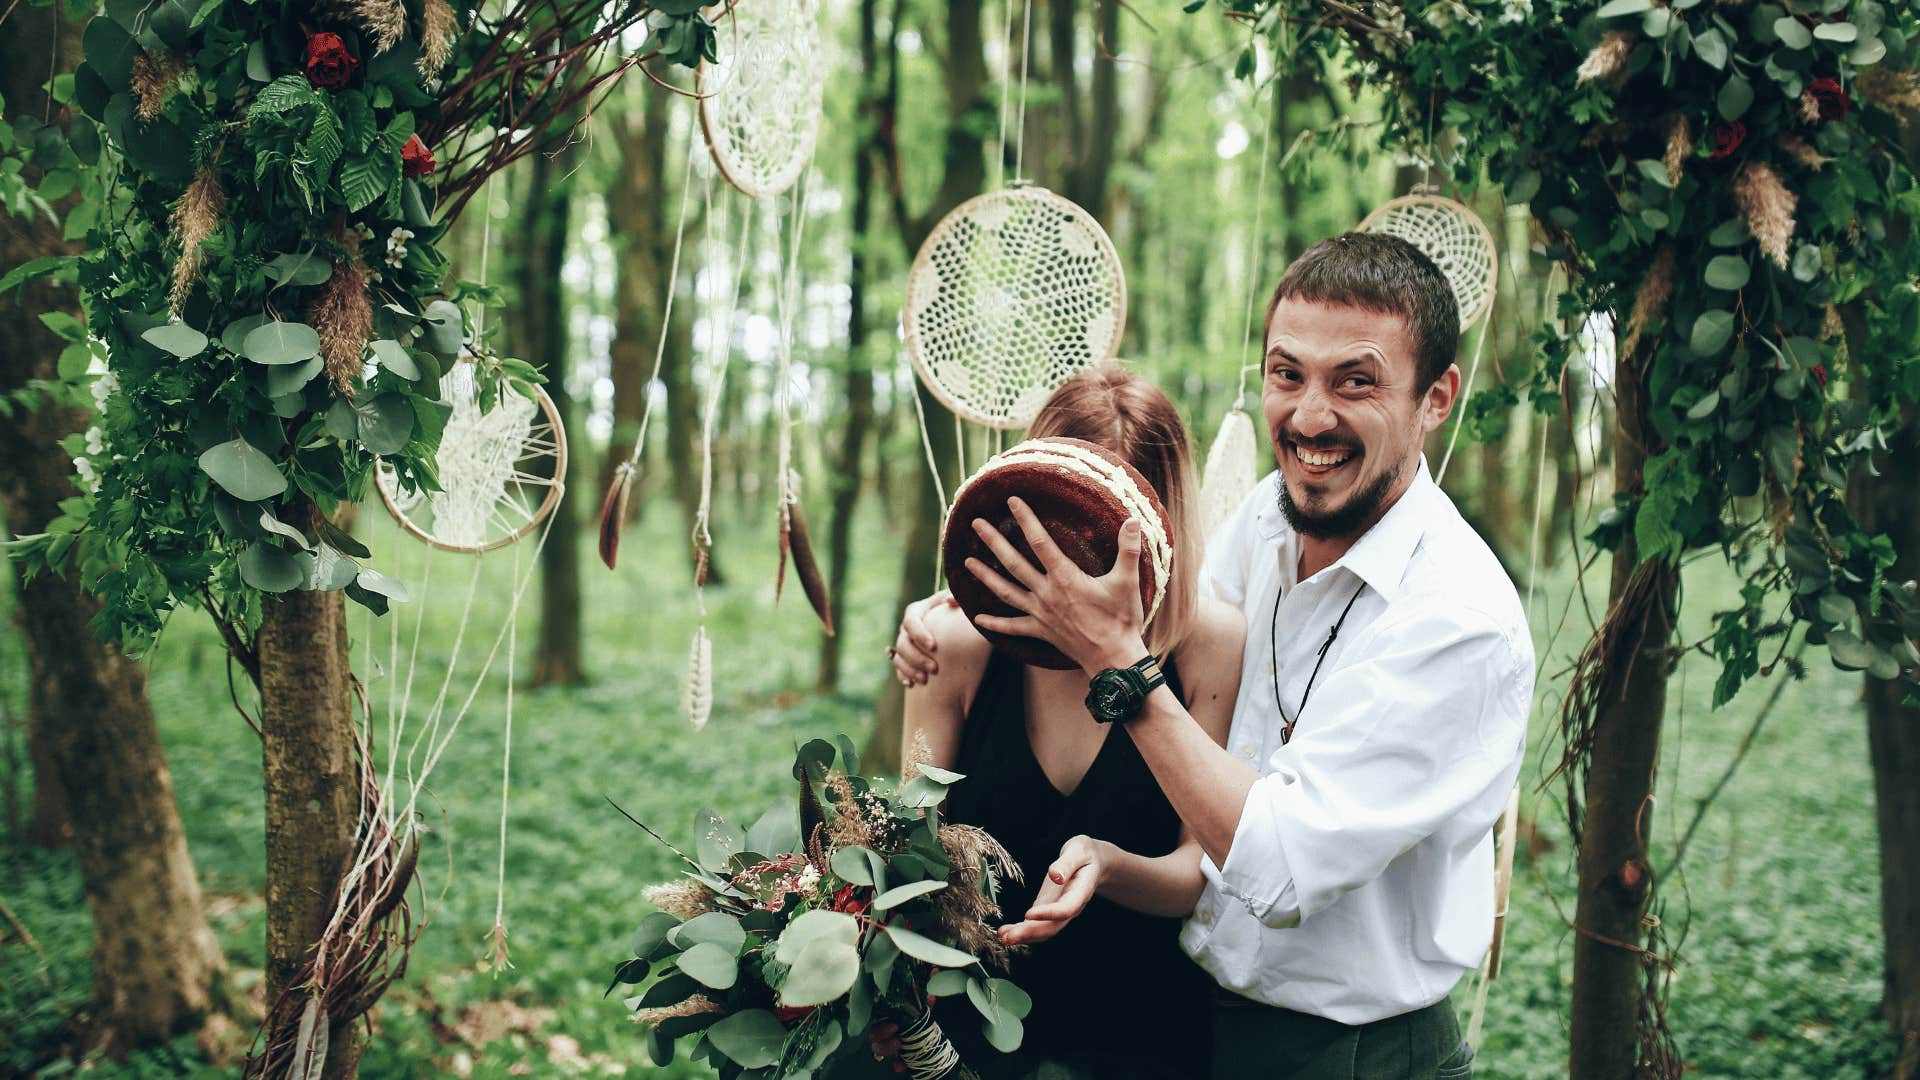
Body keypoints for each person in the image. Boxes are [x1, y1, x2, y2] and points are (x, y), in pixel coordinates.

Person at [893, 232, 1534, 1079]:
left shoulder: (1461, 621)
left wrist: (1117, 665)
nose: (1309, 417)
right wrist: (970, 605)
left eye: (1357, 381)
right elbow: (1162, 596)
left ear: (1437, 396)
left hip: (1348, 1051)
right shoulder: (1271, 516)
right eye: (1287, 373)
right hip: (1202, 1027)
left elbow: (1276, 865)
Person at [867, 366, 1246, 1079]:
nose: (1076, 577)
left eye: (1105, 542)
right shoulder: (952, 646)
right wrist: (890, 990)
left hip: (1142, 1030)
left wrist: (1106, 864)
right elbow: (909, 861)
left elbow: (1196, 871)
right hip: (972, 1026)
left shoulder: (1210, 643)